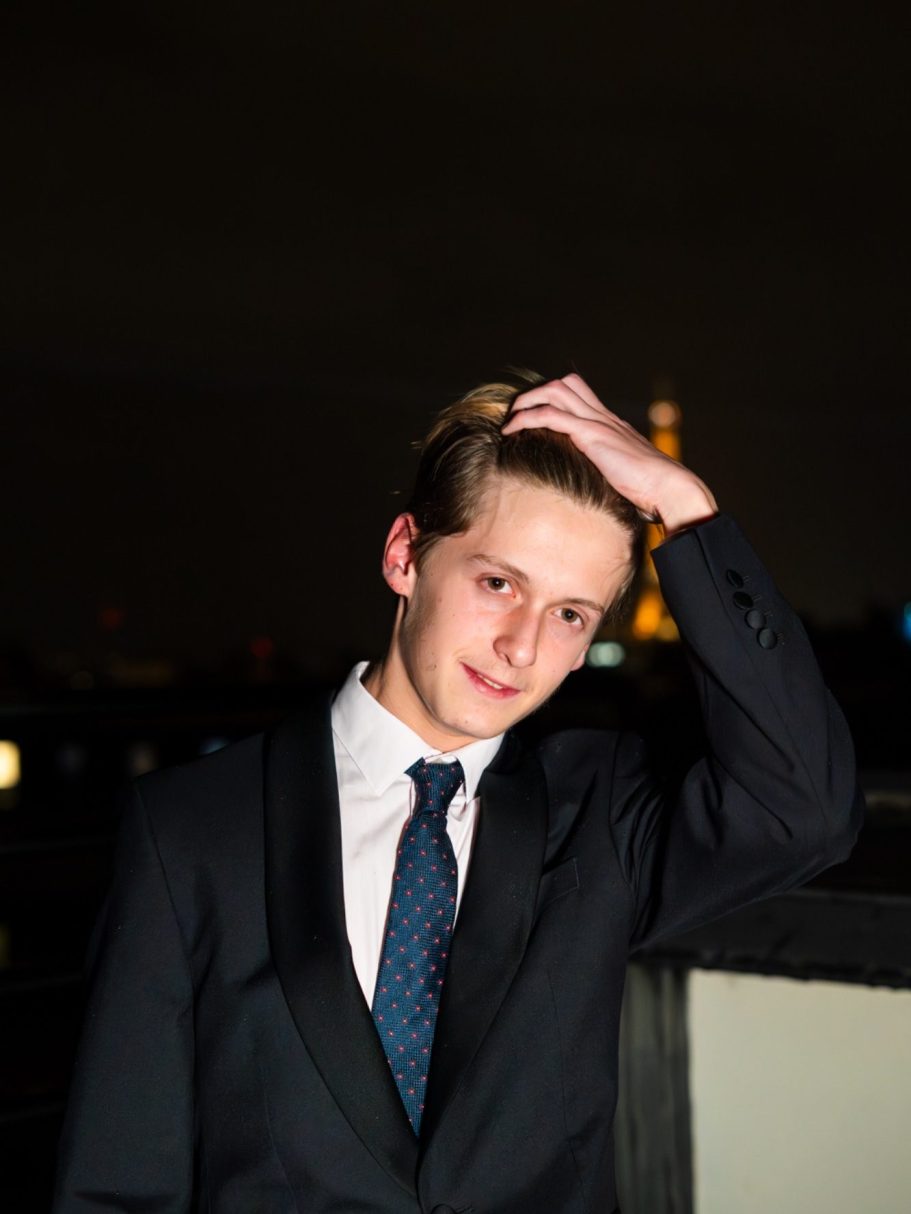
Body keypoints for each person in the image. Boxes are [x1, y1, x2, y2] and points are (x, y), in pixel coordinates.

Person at [54, 373, 862, 1213]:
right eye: (498, 584)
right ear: (405, 556)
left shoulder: (598, 812)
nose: (520, 647)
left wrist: (686, 505)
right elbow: (116, 1181)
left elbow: (805, 809)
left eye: (570, 615)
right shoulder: (188, 828)